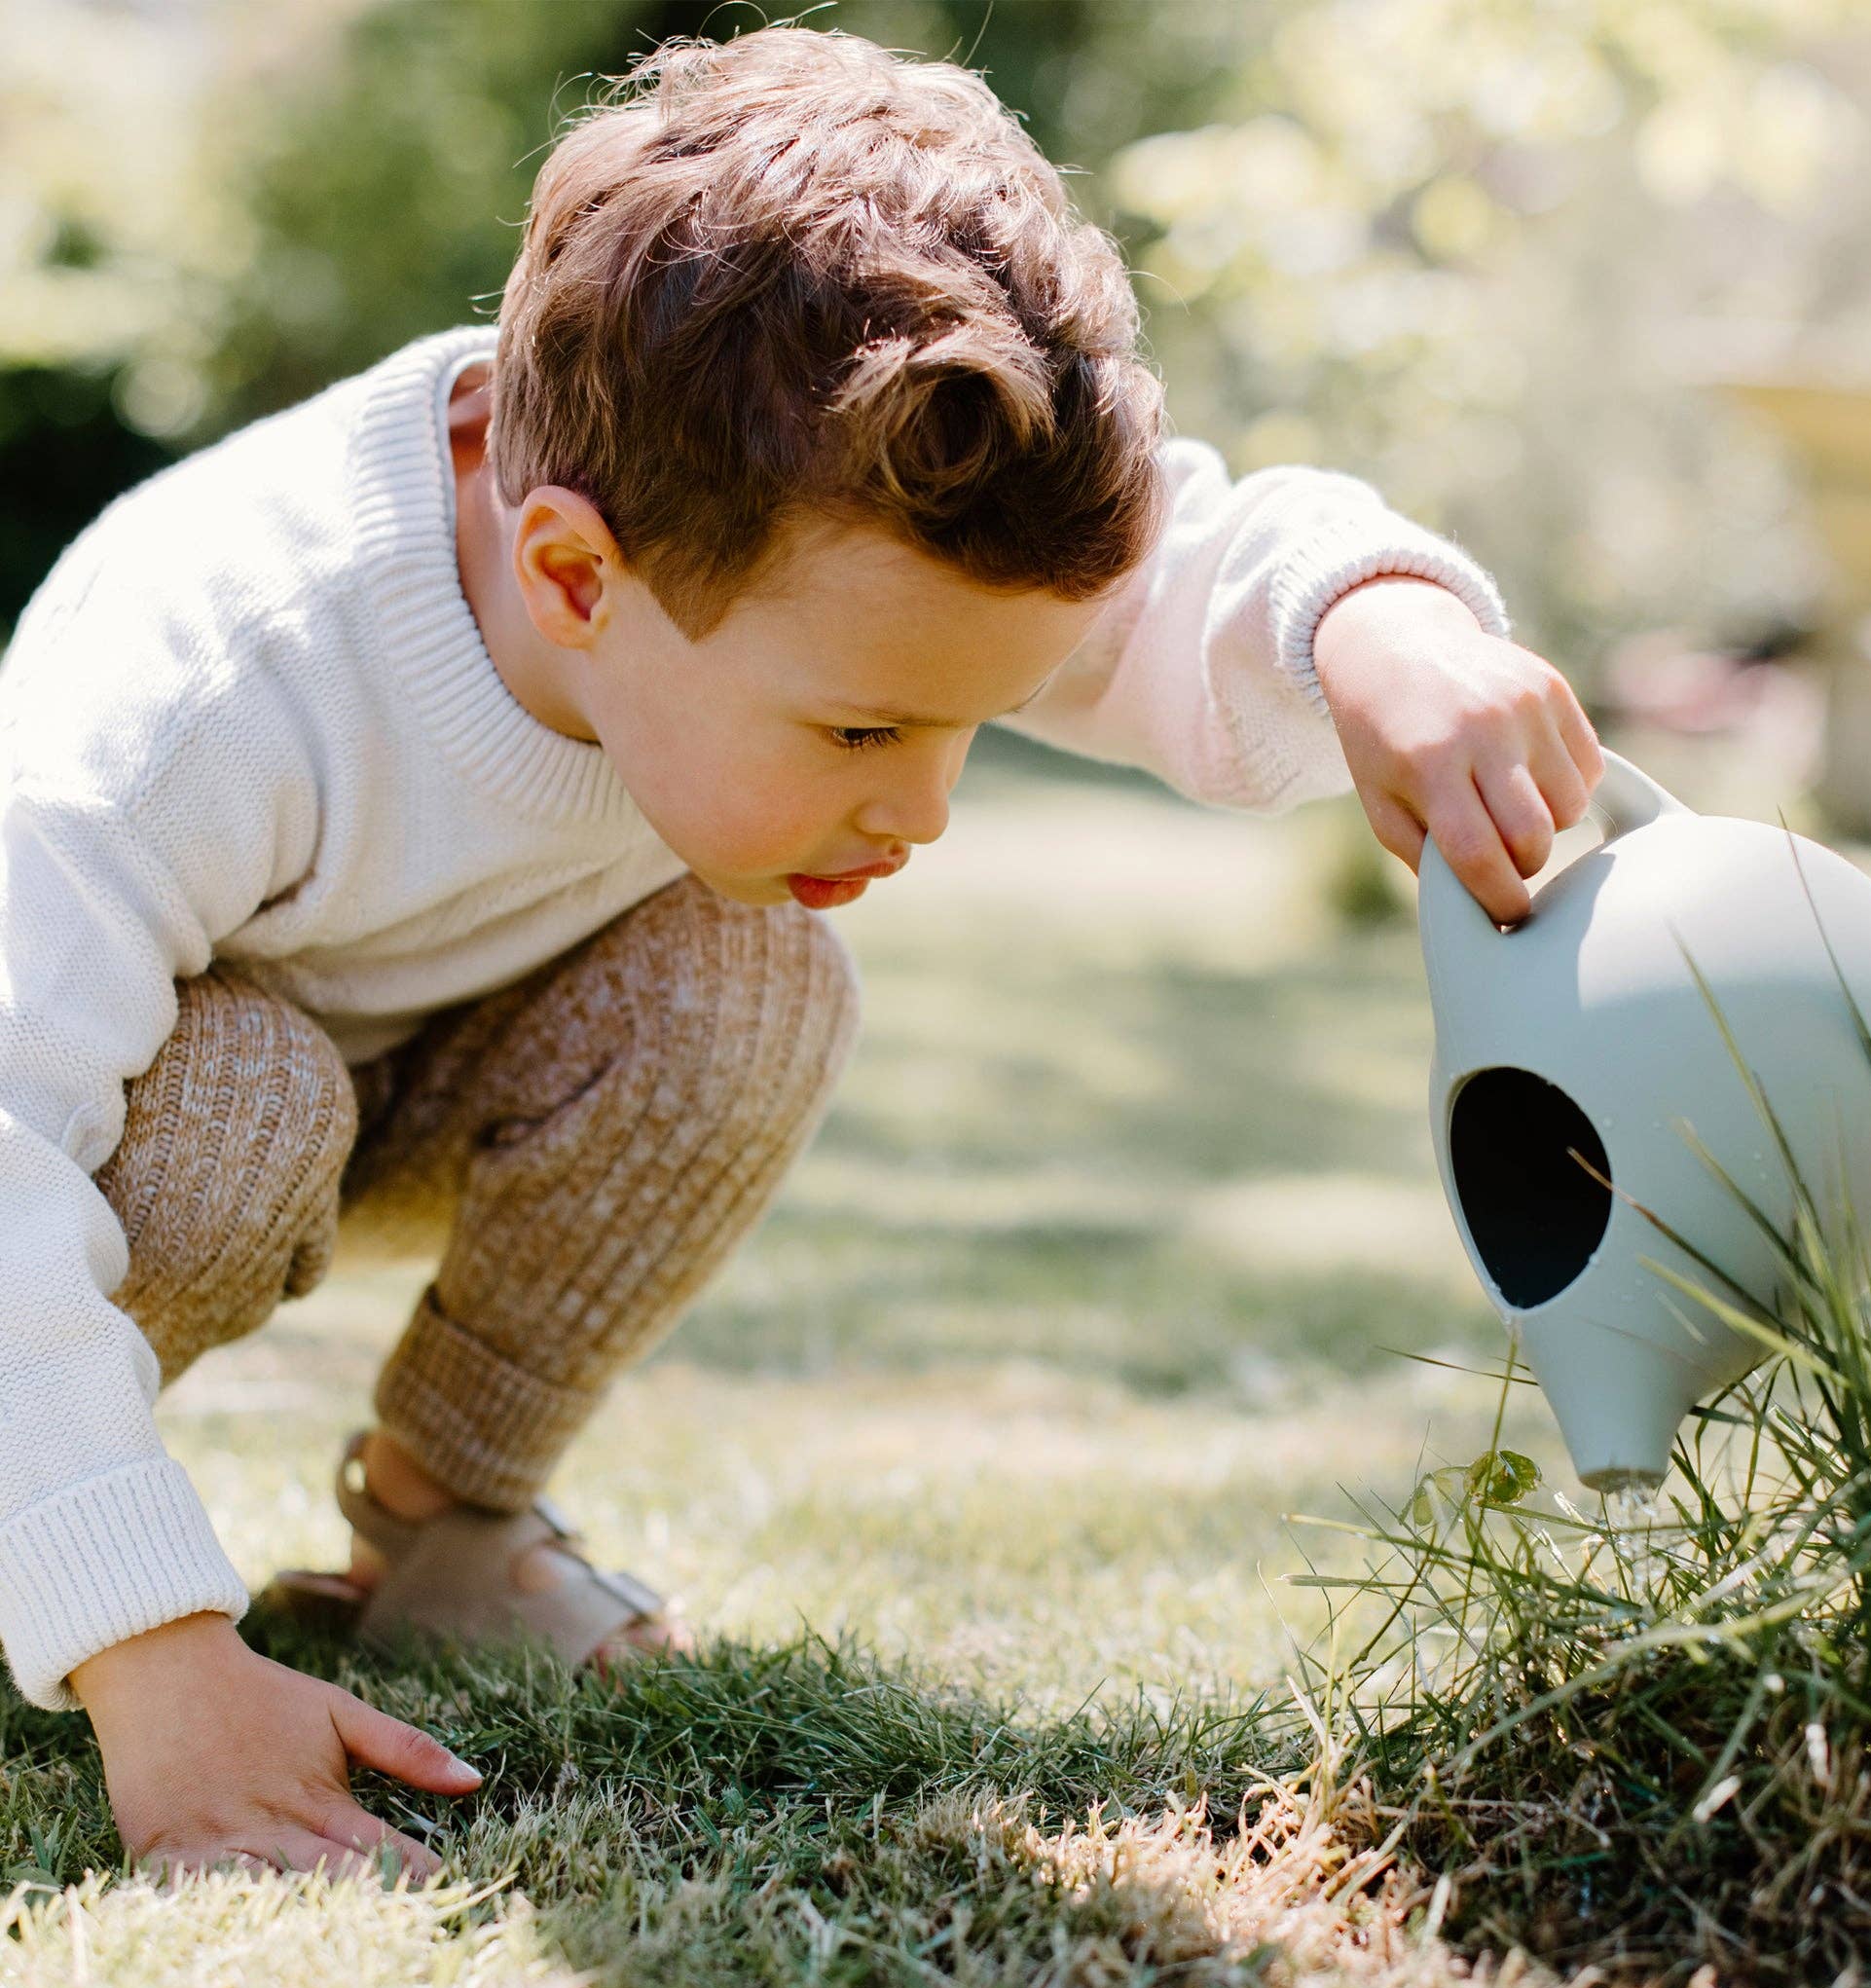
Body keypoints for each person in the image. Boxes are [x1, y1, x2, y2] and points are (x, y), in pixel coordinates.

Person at [0, 24, 1603, 1883]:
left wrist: (1373, 622)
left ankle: (441, 1540)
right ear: (574, 580)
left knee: (749, 974)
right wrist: (151, 1648)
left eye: (963, 730)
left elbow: (1171, 579)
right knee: (240, 1105)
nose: (924, 810)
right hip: (146, 1125)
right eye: (862, 735)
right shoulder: (215, 679)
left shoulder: (788, 553)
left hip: (416, 1066)